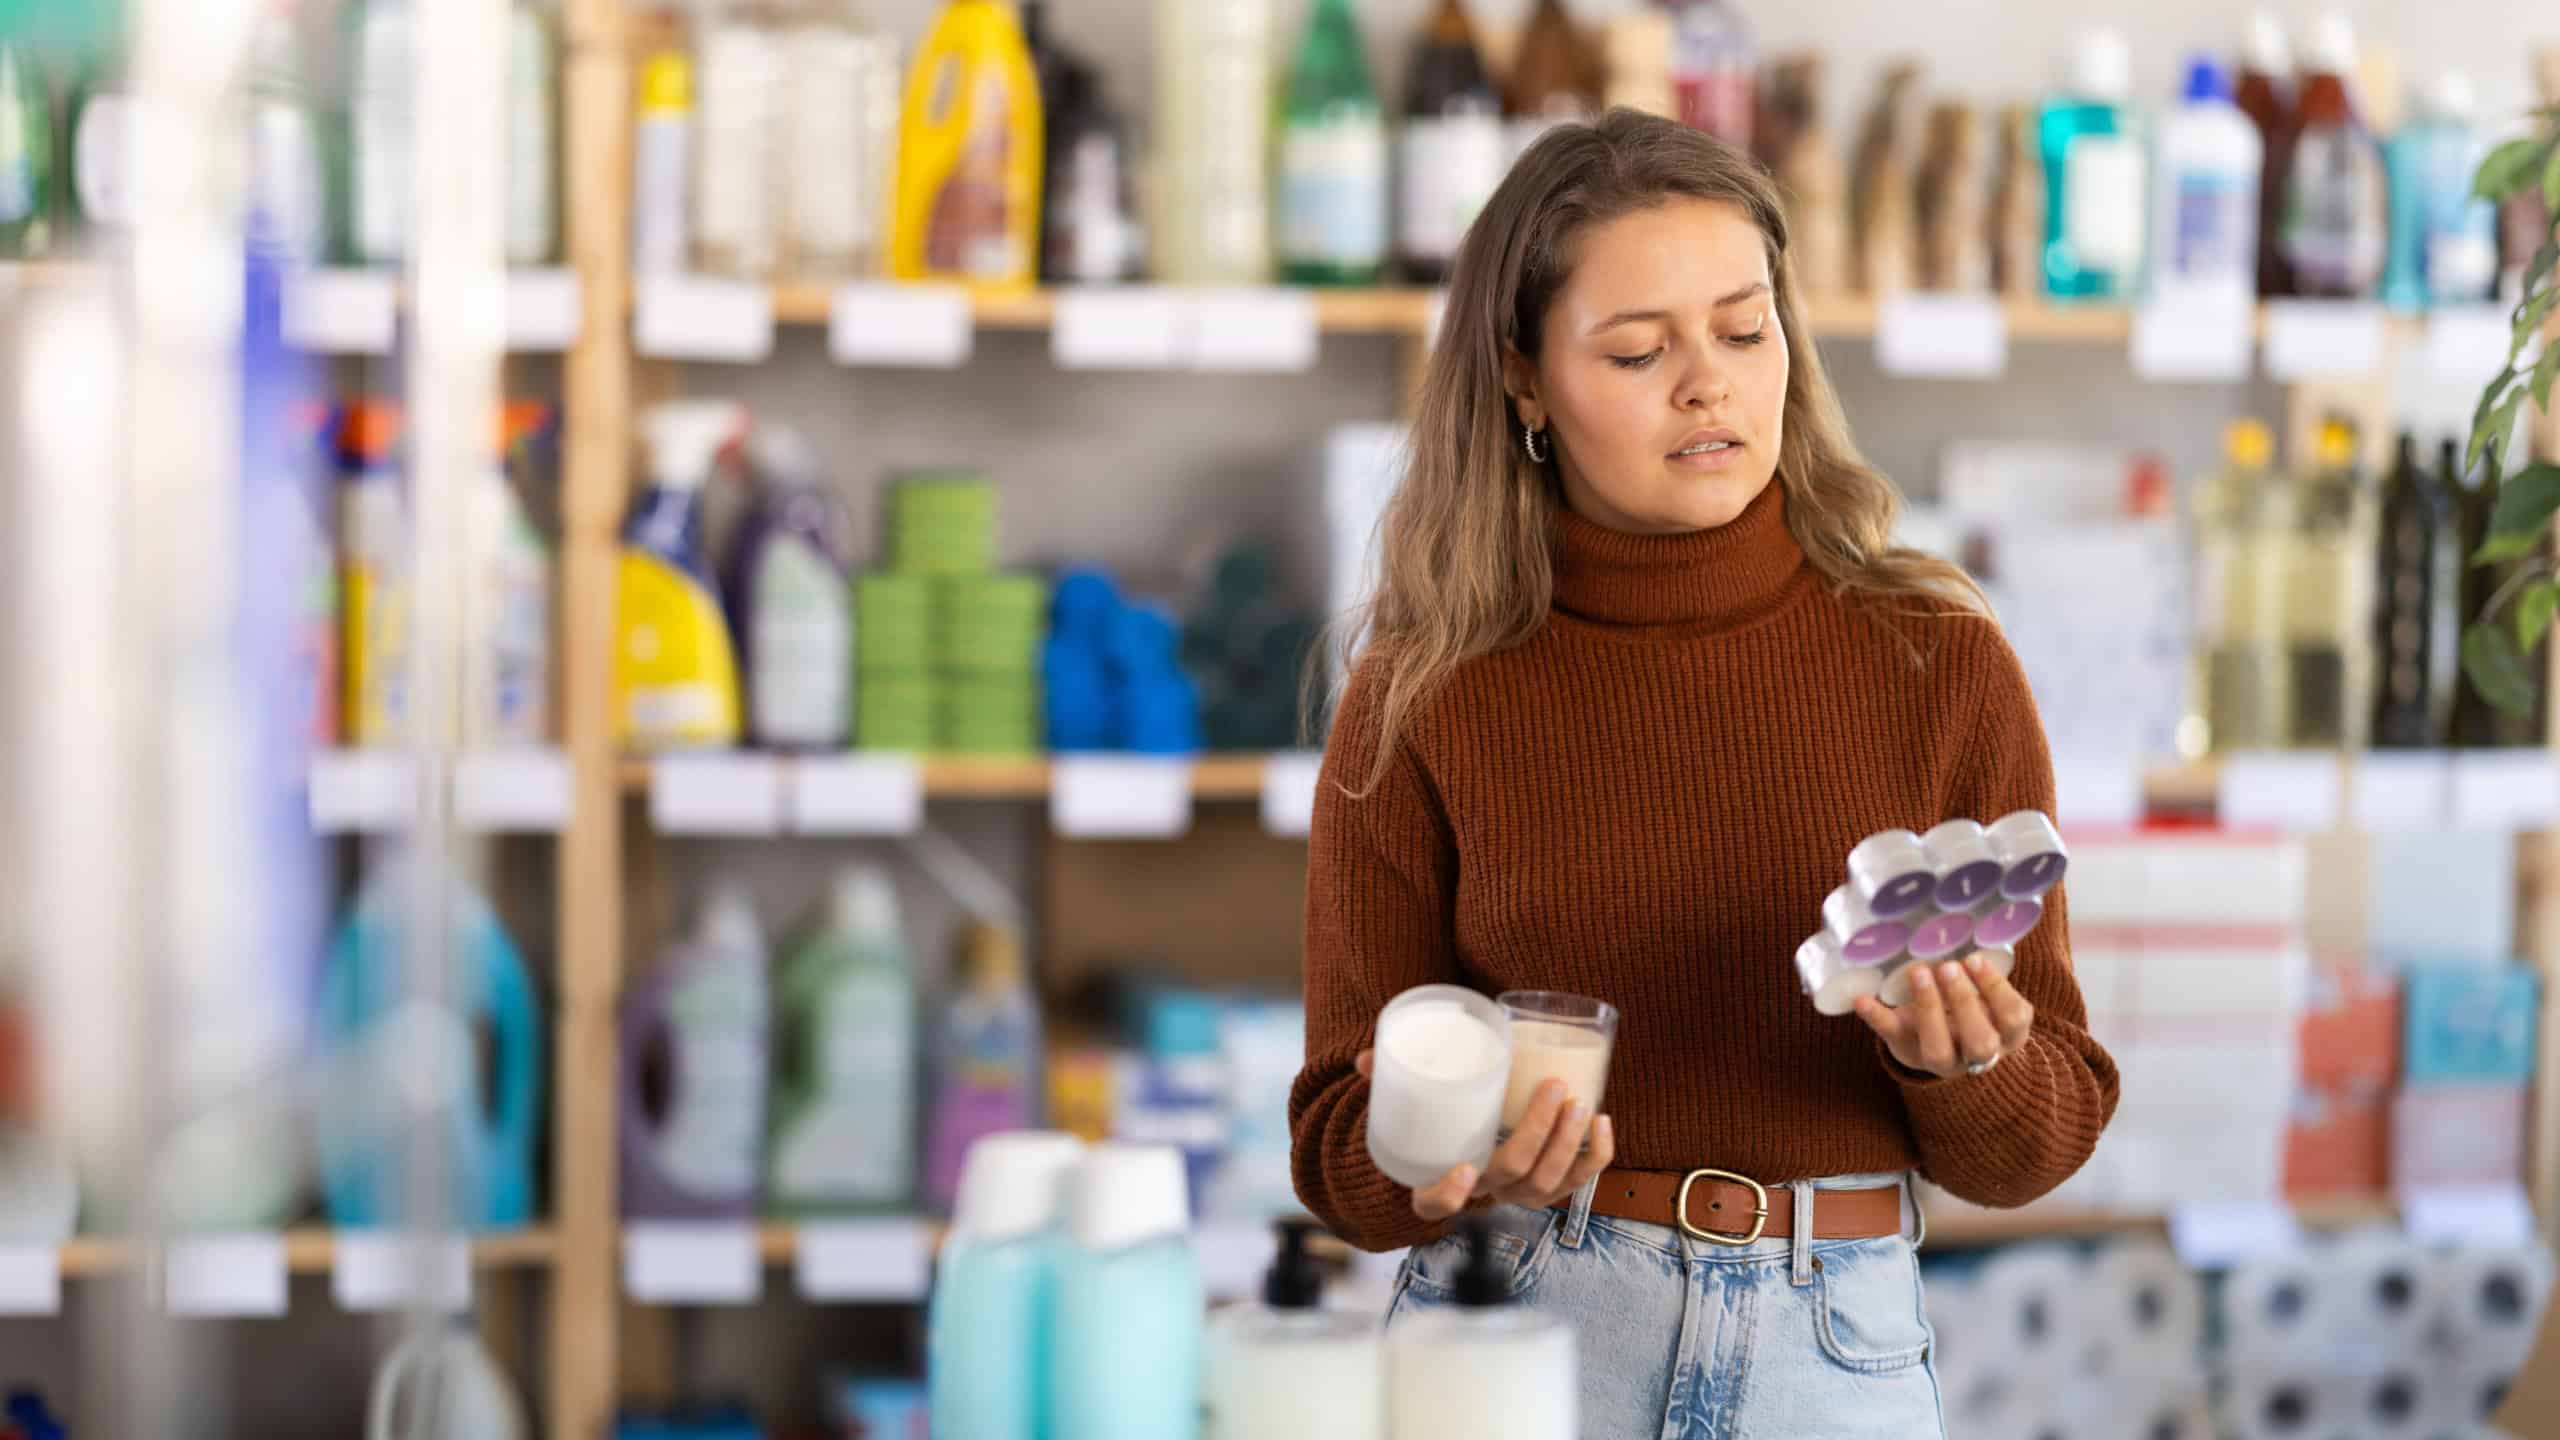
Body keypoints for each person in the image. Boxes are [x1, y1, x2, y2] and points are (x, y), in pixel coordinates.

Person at [1288, 110, 2120, 1438]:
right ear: (1523, 381)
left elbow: (2039, 1142)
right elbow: (1337, 1142)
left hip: (1834, 1347)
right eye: (1637, 348)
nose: (1709, 385)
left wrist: (1966, 1068)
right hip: (1521, 1331)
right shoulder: (1425, 692)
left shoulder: (1938, 662)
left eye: (1744, 330)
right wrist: (1449, 1164)